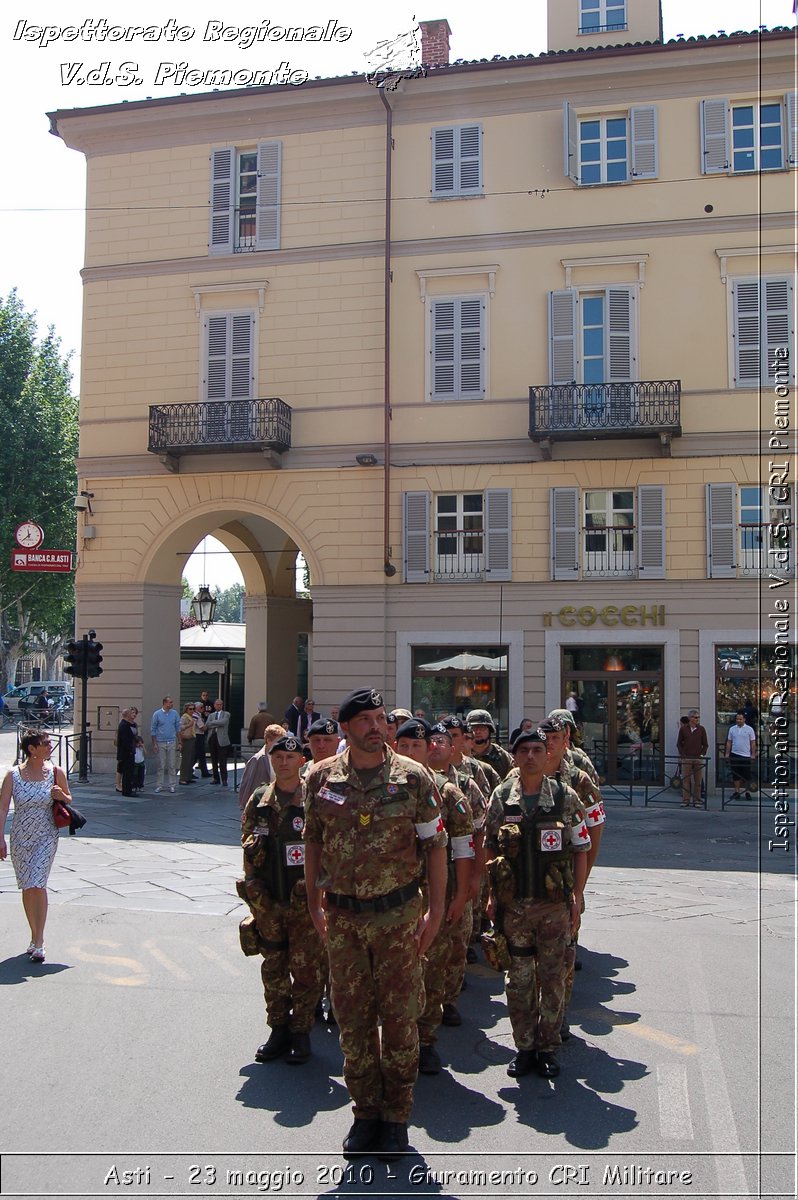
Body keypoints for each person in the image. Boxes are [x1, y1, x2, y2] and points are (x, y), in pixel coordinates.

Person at [303, 687, 448, 1161]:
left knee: (401, 1019)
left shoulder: (414, 779)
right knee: (353, 1020)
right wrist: (313, 902)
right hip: (343, 919)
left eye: (380, 718)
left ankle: (397, 1117)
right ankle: (365, 1112)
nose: (374, 726)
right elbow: (314, 843)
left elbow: (436, 847)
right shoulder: (321, 778)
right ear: (346, 727)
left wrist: (438, 910)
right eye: (364, 719)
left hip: (398, 918)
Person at [486, 727, 590, 1080]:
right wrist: (490, 895)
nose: (530, 756)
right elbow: (489, 847)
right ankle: (524, 1047)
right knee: (519, 980)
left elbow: (581, 848)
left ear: (548, 756)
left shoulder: (565, 797)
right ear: (514, 757)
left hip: (553, 908)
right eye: (523, 751)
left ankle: (547, 1048)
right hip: (514, 907)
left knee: (553, 978)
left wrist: (576, 895)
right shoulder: (502, 797)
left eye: (537, 750)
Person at [239, 735, 326, 1066]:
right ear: (271, 760)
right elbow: (247, 848)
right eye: (278, 757)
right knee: (274, 967)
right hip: (270, 901)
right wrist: (252, 892)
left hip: (306, 902)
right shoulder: (260, 801)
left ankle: (301, 1031)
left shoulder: (314, 801)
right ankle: (278, 1028)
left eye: (290, 758)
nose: (284, 762)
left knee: (306, 969)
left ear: (301, 762)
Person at [0, 731, 73, 962]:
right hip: (20, 837)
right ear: (32, 749)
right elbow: (2, 808)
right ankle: (33, 936)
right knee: (27, 887)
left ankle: (39, 941)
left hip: (46, 836)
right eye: (45, 743)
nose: (50, 746)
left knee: (37, 882)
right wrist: (0, 837)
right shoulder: (13, 775)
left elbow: (69, 799)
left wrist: (61, 794)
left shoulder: (55, 772)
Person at [466, 709, 514, 781]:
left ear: (490, 730)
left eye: (482, 728)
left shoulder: (502, 756)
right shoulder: (463, 754)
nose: (478, 731)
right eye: (474, 728)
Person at [676, 709, 709, 808]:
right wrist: (683, 755)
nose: (697, 719)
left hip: (697, 758)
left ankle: (697, 801)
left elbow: (705, 744)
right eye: (695, 717)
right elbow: (679, 743)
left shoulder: (701, 729)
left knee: (698, 781)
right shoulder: (683, 729)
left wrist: (702, 754)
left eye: (698, 717)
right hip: (687, 758)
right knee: (686, 780)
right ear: (690, 718)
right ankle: (686, 800)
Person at [150, 696, 181, 793]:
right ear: (165, 703)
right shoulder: (157, 714)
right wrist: (154, 743)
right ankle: (160, 785)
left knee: (172, 764)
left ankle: (172, 785)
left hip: (171, 741)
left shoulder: (174, 713)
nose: (172, 704)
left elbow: (178, 728)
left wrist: (179, 741)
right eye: (170, 702)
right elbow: (153, 729)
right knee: (161, 765)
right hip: (160, 741)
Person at [725, 710, 757, 800]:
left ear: (744, 719)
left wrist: (753, 754)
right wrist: (727, 753)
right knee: (736, 775)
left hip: (746, 755)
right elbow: (729, 742)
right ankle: (737, 792)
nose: (738, 720)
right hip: (735, 754)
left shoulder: (749, 729)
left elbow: (753, 743)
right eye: (737, 719)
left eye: (740, 719)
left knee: (746, 775)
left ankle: (747, 792)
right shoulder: (732, 729)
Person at [205, 698, 231, 787]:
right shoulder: (211, 715)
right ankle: (216, 778)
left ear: (222, 705)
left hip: (222, 740)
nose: (218, 706)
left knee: (222, 760)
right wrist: (216, 723)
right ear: (214, 705)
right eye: (217, 704)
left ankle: (224, 779)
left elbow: (223, 722)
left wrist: (213, 723)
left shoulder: (226, 714)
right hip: (212, 738)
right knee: (213, 759)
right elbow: (207, 724)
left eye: (220, 704)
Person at [116, 707, 138, 797]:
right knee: (126, 772)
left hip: (129, 752)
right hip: (126, 753)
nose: (132, 715)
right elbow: (125, 740)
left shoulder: (128, 724)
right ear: (127, 715)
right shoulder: (124, 725)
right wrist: (130, 750)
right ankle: (126, 791)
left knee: (129, 772)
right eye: (130, 713)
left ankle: (128, 789)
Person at [178, 702, 197, 785]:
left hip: (192, 738)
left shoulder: (191, 717)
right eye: (190, 709)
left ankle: (188, 777)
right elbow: (180, 727)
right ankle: (183, 778)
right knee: (186, 759)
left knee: (190, 759)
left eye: (193, 709)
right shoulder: (184, 717)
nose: (192, 710)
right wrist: (189, 725)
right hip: (186, 739)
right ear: (186, 709)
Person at [192, 702, 211, 778]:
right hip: (198, 736)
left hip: (199, 736)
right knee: (198, 754)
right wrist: (209, 723)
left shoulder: (199, 715)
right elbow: (202, 728)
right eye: (201, 707)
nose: (203, 709)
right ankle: (190, 771)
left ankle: (204, 771)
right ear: (197, 708)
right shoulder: (196, 716)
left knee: (199, 755)